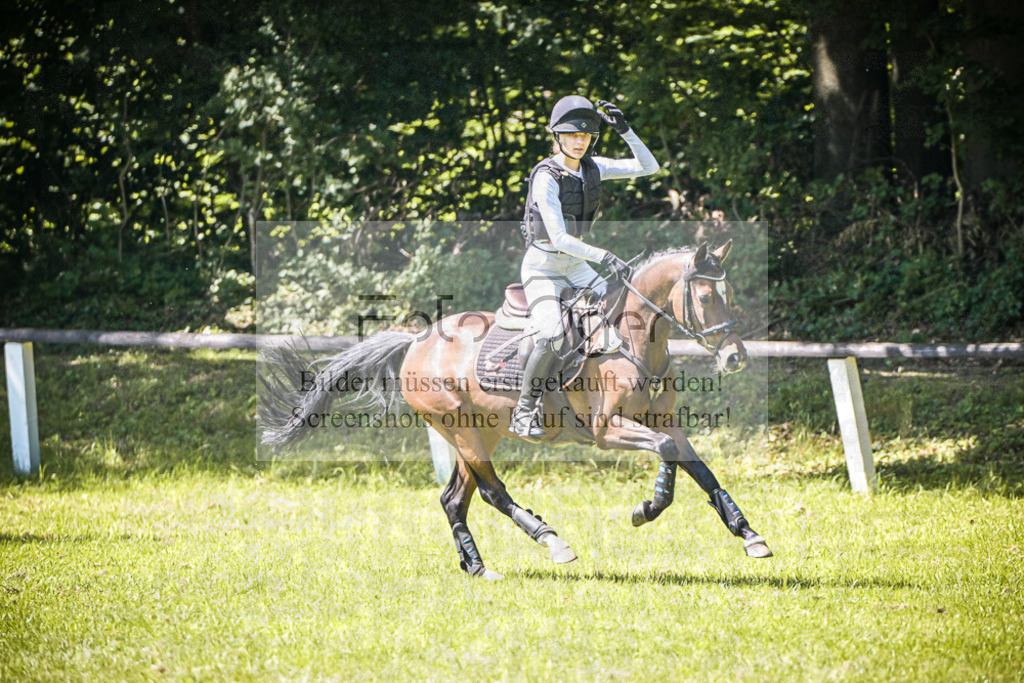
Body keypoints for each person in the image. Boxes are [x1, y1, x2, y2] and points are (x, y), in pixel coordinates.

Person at [510, 95, 660, 440]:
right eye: (572, 135)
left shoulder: (595, 167)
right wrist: (605, 256)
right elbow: (559, 238)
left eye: (586, 137)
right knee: (551, 334)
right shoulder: (546, 177)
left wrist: (625, 131)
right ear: (556, 136)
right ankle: (524, 411)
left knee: (617, 318)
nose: (579, 142)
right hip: (544, 267)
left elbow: (649, 167)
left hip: (577, 266)